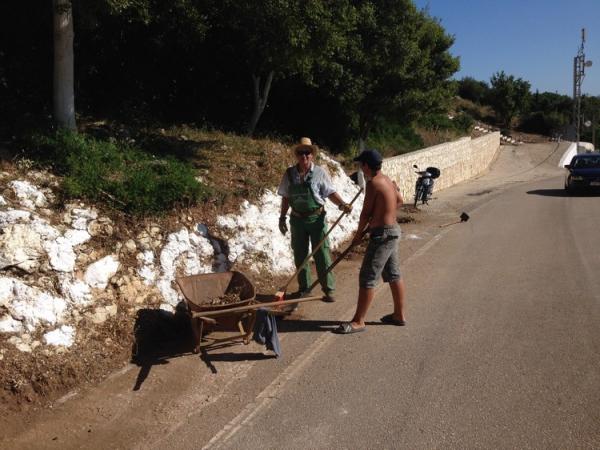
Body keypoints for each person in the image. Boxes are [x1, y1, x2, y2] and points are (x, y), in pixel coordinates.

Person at [335, 149, 406, 334]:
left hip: (382, 235)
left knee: (367, 277)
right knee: (393, 274)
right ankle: (399, 315)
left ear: (366, 165)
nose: (360, 167)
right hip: (392, 231)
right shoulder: (387, 180)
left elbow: (365, 214)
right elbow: (399, 201)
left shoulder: (374, 184)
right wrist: (383, 214)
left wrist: (358, 235)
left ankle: (359, 321)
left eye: (361, 164)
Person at [278, 137, 353, 302]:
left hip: (316, 219)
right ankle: (304, 288)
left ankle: (328, 289)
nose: (304, 156)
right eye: (301, 153)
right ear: (297, 155)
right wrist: (282, 217)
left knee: (322, 254)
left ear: (312, 155)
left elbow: (330, 193)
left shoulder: (320, 173)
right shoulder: (289, 174)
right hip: (297, 220)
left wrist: (342, 205)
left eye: (307, 152)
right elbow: (285, 197)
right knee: (300, 255)